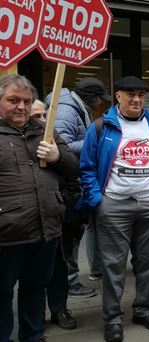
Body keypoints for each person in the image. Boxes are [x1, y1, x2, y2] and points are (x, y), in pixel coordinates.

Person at [78, 76, 149, 342]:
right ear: (117, 96)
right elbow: (86, 167)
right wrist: (98, 199)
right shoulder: (101, 126)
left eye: (141, 95)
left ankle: (144, 310)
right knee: (113, 264)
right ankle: (112, 317)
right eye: (130, 94)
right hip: (113, 205)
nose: (136, 99)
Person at [0, 74, 79, 342]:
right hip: (6, 235)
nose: (21, 106)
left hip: (46, 229)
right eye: (13, 100)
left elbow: (72, 167)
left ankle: (33, 337)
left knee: (35, 290)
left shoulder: (45, 130)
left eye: (26, 101)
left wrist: (57, 156)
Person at [46, 77, 111, 299]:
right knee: (69, 237)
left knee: (75, 233)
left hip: (75, 181)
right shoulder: (67, 111)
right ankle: (69, 281)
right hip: (68, 183)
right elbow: (60, 146)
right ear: (92, 98)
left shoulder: (75, 108)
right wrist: (96, 140)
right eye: (100, 99)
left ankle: (69, 279)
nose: (101, 103)